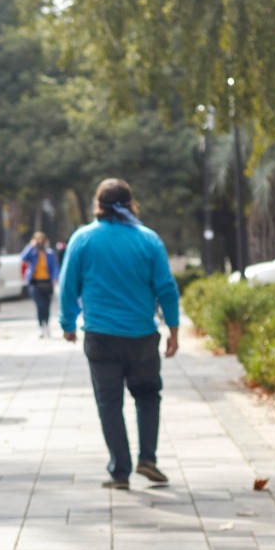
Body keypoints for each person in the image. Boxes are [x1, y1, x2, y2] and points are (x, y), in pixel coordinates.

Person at [58, 178, 179, 490]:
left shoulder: (83, 239)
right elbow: (166, 288)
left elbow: (68, 284)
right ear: (131, 203)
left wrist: (68, 323)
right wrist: (174, 331)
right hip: (142, 336)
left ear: (98, 205)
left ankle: (120, 471)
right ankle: (147, 459)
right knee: (148, 397)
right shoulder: (149, 240)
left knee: (109, 403)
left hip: (101, 336)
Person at [21, 231, 59, 338]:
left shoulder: (49, 253)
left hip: (47, 283)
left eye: (41, 240)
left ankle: (46, 325)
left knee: (46, 306)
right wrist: (31, 246)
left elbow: (55, 267)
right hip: (35, 283)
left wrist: (55, 278)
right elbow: (23, 258)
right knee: (40, 305)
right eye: (37, 240)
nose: (39, 243)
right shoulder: (33, 253)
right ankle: (41, 327)